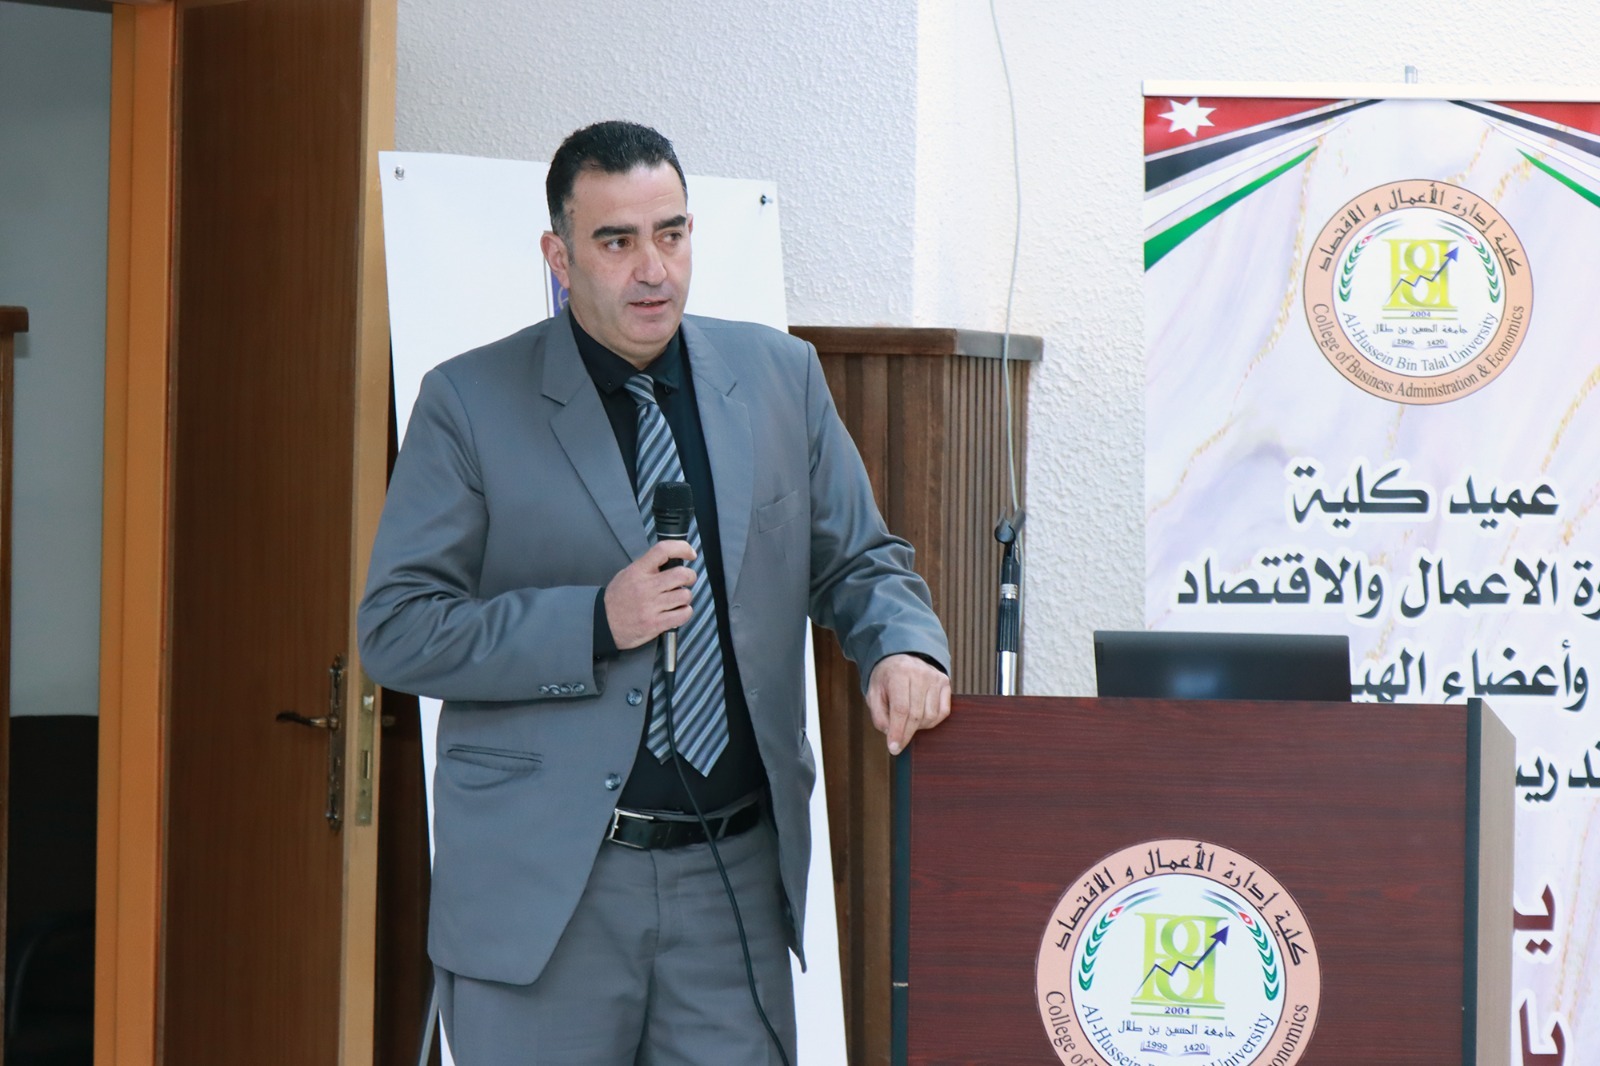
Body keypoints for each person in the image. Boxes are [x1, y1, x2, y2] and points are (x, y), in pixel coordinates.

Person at [358, 120, 951, 1065]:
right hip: (549, 893)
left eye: (671, 234)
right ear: (558, 257)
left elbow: (859, 560)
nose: (653, 271)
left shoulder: (780, 376)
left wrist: (902, 644)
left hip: (732, 883)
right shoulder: (469, 401)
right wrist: (594, 621)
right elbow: (397, 629)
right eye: (616, 241)